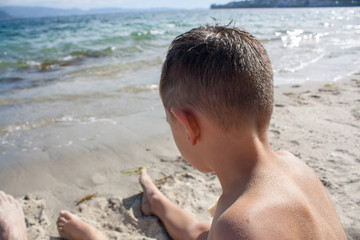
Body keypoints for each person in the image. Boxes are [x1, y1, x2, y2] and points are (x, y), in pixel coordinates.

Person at [1, 25, 347, 240]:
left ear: (187, 125)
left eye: (171, 125)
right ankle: (160, 204)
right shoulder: (294, 168)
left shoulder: (239, 226)